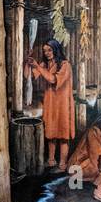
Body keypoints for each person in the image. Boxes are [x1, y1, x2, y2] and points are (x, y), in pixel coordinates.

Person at [27, 38, 74, 171]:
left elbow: (53, 79)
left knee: (63, 135)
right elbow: (28, 76)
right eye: (44, 51)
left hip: (63, 104)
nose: (47, 53)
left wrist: (37, 66)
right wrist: (28, 62)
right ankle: (51, 160)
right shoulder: (44, 64)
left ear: (56, 49)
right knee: (51, 131)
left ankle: (63, 163)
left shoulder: (65, 65)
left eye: (49, 50)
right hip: (50, 103)